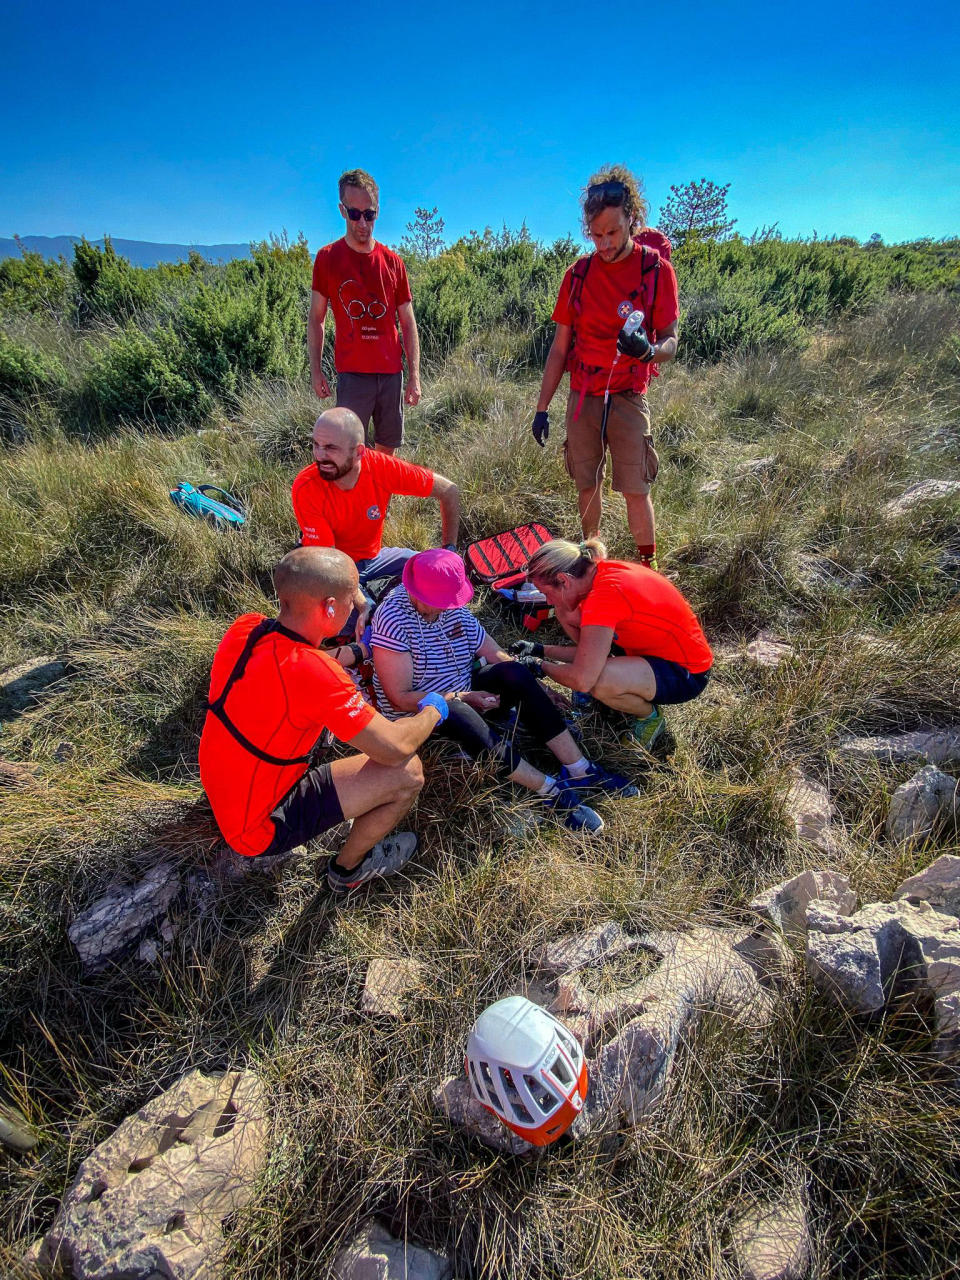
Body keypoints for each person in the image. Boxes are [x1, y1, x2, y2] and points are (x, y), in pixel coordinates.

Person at [198, 546, 451, 896]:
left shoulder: (247, 628)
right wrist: (434, 707)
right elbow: (395, 748)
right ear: (329, 607)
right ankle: (348, 870)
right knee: (408, 773)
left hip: (222, 781)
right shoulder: (318, 676)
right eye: (353, 597)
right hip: (257, 826)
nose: (356, 605)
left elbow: (297, 659)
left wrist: (361, 651)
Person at [370, 549, 643, 836]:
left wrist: (539, 688)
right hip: (424, 711)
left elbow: (494, 652)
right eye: (442, 604)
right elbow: (399, 697)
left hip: (465, 688)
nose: (450, 609)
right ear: (418, 594)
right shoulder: (394, 619)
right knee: (454, 709)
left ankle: (579, 769)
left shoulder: (449, 604)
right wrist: (461, 698)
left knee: (515, 671)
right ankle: (549, 792)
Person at [531, 165, 679, 567]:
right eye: (596, 235)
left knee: (635, 488)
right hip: (584, 395)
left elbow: (671, 339)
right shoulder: (578, 274)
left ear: (631, 217)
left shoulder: (655, 270)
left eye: (612, 233)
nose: (604, 243)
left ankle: (648, 566)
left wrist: (648, 350)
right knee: (586, 485)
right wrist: (542, 408)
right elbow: (559, 349)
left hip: (629, 395)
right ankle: (590, 562)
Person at [515, 539, 712, 750]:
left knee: (598, 680)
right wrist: (540, 650)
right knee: (567, 611)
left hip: (687, 673)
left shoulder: (604, 598)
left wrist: (540, 665)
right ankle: (623, 681)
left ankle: (649, 718)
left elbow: (583, 679)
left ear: (563, 580)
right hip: (652, 649)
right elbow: (589, 653)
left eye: (546, 593)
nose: (549, 602)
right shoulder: (598, 574)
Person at [292, 407, 460, 617]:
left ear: (359, 452)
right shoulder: (306, 487)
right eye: (316, 445)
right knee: (344, 618)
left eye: (330, 448)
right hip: (332, 567)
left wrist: (449, 551)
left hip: (374, 557)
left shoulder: (381, 468)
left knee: (431, 577)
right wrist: (364, 605)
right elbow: (331, 567)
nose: (319, 455)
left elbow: (449, 491)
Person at [308, 168, 421, 455]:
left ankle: (380, 502)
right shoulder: (327, 259)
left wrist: (414, 376)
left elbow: (408, 323)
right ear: (342, 210)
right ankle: (352, 502)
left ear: (377, 211)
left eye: (369, 215)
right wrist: (316, 370)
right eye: (354, 214)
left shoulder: (393, 262)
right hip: (352, 375)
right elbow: (316, 319)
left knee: (386, 454)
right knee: (346, 452)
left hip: (390, 374)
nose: (362, 222)